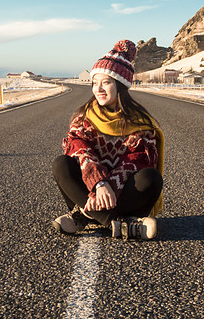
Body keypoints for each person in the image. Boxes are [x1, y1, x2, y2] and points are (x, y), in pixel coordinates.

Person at [51, 39, 164, 240]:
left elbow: (138, 159)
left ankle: (84, 216)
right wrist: (98, 184)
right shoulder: (84, 116)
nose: (98, 89)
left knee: (150, 178)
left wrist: (111, 184)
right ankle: (124, 225)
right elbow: (79, 149)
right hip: (92, 189)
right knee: (62, 164)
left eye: (106, 82)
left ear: (120, 85)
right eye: (95, 83)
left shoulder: (140, 121)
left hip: (122, 193)